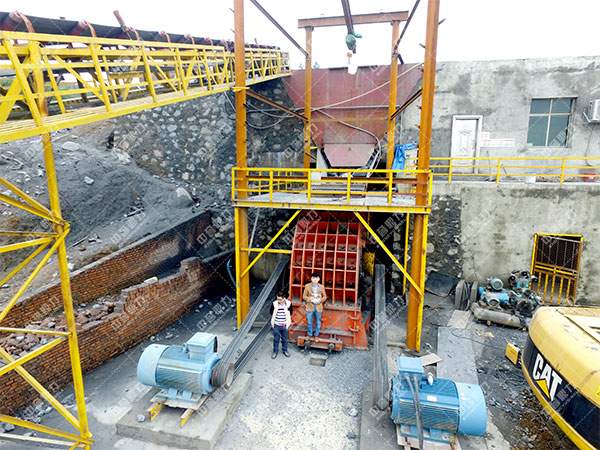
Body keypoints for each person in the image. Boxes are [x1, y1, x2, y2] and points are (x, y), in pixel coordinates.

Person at [302, 272, 326, 341]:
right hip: (310, 306)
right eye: (313, 278)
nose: (315, 280)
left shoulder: (322, 287)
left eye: (316, 278)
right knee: (309, 321)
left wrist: (320, 300)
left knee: (318, 322)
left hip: (318, 307)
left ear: (319, 279)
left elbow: (324, 297)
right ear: (311, 279)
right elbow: (304, 296)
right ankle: (309, 334)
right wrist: (309, 299)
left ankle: (316, 335)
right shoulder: (307, 286)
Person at [270, 291, 292, 359]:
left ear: (284, 298)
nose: (278, 301)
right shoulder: (274, 304)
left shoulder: (289, 304)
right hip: (276, 325)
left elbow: (291, 312)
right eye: (277, 299)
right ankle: (275, 351)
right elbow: (271, 312)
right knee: (276, 339)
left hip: (284, 325)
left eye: (280, 299)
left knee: (284, 339)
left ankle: (285, 350)